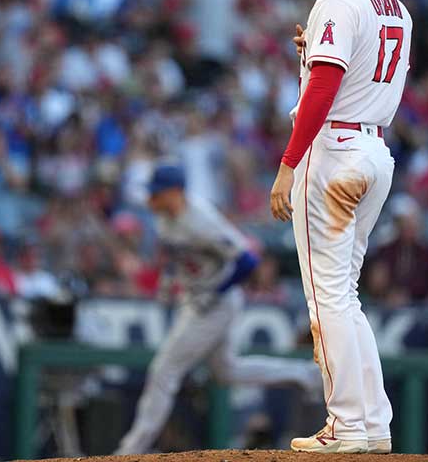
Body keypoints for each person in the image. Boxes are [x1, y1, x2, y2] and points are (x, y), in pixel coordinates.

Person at [270, 0, 413, 454]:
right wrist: (309, 61)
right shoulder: (394, 5)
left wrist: (287, 164)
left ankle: (349, 425)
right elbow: (345, 75)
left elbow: (326, 88)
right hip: (374, 152)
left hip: (333, 152)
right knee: (344, 296)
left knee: (326, 298)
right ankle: (372, 424)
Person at [115, 164, 321, 455]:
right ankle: (304, 375)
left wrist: (216, 291)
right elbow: (175, 256)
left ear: (174, 193)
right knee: (226, 371)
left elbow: (247, 261)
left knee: (164, 370)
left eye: (156, 194)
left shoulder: (202, 221)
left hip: (215, 304)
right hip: (199, 299)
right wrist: (167, 282)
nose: (151, 200)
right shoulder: (164, 218)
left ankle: (131, 449)